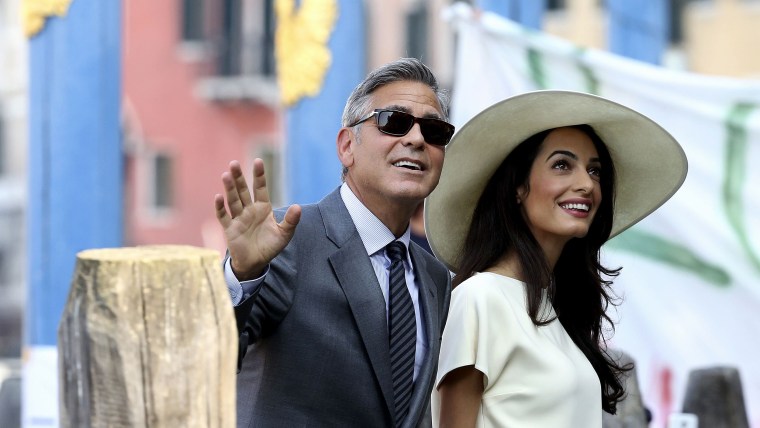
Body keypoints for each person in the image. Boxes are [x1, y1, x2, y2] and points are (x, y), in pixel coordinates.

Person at [423, 90, 688, 428]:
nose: (586, 184)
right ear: (518, 187)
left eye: (595, 171)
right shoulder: (480, 299)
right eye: (563, 165)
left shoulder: (560, 310)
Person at [214, 58, 454, 428]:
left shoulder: (435, 277)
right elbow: (213, 355)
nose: (417, 139)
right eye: (394, 121)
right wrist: (242, 275)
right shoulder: (287, 241)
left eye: (434, 130)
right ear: (347, 146)